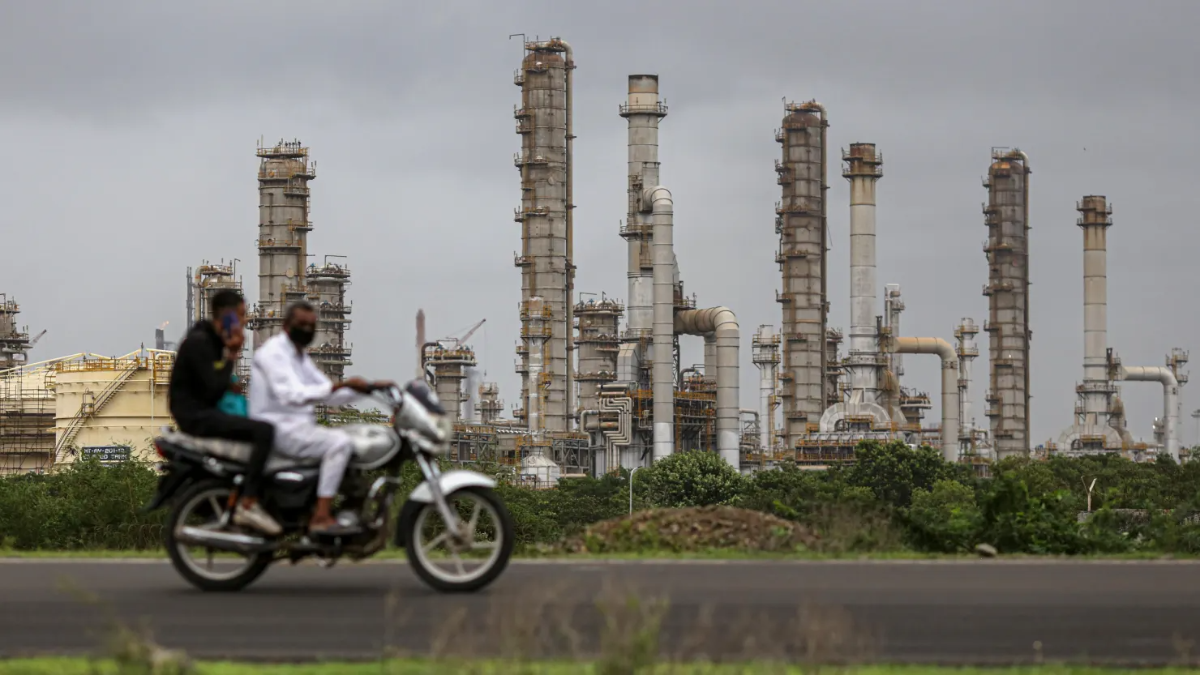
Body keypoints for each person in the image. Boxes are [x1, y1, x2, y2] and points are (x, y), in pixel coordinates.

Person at [248, 301, 392, 535]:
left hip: (298, 427)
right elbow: (291, 395)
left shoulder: (299, 357)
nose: (306, 330)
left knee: (352, 437)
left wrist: (369, 388)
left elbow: (327, 391)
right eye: (301, 324)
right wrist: (342, 385)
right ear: (286, 326)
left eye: (311, 325)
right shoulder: (273, 353)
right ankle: (321, 516)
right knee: (339, 444)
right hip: (278, 428)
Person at [168, 290, 281, 535]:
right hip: (196, 416)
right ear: (227, 315)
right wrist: (232, 355)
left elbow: (214, 381)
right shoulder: (200, 342)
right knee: (265, 432)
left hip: (201, 411)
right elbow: (212, 390)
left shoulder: (207, 339)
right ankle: (249, 502)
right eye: (241, 315)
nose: (244, 321)